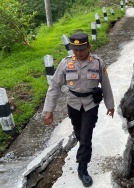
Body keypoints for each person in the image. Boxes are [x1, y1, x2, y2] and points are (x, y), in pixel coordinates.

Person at [43, 32, 115, 187]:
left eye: (82, 49)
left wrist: (110, 105)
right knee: (79, 131)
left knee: (86, 134)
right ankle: (84, 145)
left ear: (88, 47)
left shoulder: (97, 63)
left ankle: (82, 167)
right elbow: (54, 86)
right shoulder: (66, 63)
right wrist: (49, 110)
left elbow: (106, 85)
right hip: (73, 103)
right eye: (75, 50)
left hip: (91, 104)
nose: (79, 53)